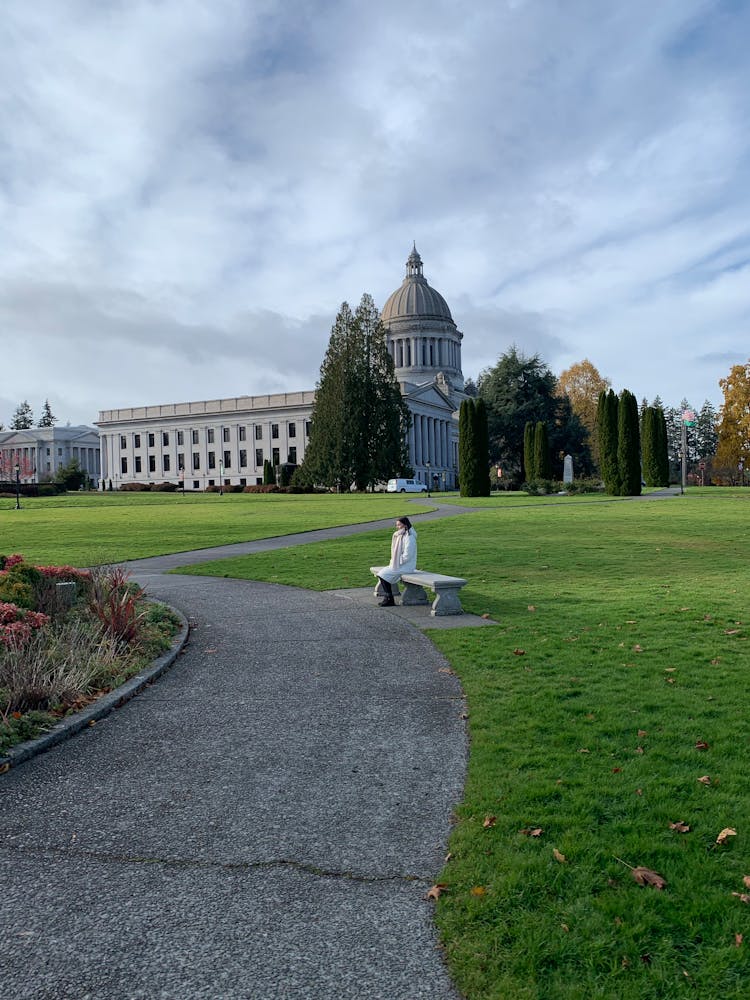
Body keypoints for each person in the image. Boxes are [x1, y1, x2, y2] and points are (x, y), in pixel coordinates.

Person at [375, 516, 417, 607]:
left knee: (383, 575)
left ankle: (389, 599)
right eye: (396, 525)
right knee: (382, 574)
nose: (397, 527)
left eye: (399, 525)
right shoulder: (401, 535)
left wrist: (397, 561)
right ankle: (388, 598)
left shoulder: (409, 537)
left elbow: (407, 556)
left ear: (405, 525)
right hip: (399, 564)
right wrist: (395, 561)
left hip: (406, 565)